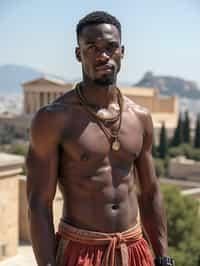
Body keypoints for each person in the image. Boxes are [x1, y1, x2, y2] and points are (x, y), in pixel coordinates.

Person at [26, 11, 175, 266]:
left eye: (110, 47)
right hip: (81, 250)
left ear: (122, 51)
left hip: (134, 248)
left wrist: (162, 256)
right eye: (92, 47)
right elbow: (39, 202)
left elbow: (149, 192)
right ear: (78, 53)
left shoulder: (139, 117)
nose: (103, 55)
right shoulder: (53, 119)